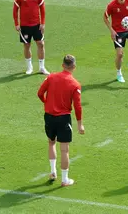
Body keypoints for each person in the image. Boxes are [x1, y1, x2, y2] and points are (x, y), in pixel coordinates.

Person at [37, 54, 85, 186]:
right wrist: (80, 124)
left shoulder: (51, 77)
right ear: (74, 67)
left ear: (63, 65)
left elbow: (40, 93)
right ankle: (64, 179)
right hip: (63, 118)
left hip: (49, 116)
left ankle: (53, 172)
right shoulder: (75, 84)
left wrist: (47, 103)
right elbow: (77, 106)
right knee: (65, 149)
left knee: (51, 143)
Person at [13, 0, 49, 75]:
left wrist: (43, 23)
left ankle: (42, 67)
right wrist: (16, 23)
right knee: (27, 45)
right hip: (24, 26)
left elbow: (42, 9)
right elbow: (15, 10)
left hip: (37, 25)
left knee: (41, 44)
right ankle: (29, 67)